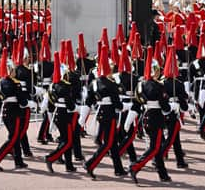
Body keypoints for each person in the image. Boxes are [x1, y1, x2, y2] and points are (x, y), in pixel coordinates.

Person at [128, 46, 173, 183]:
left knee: (157, 147)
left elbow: (138, 101)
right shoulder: (158, 86)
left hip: (146, 116)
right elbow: (165, 108)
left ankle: (163, 174)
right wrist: (171, 108)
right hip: (156, 118)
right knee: (154, 148)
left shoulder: (141, 85)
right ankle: (135, 167)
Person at [84, 44, 126, 179]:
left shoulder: (94, 83)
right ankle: (90, 164)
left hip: (100, 111)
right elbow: (117, 103)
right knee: (108, 143)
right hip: (109, 113)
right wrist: (123, 107)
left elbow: (89, 100)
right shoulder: (110, 83)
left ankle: (118, 168)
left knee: (112, 143)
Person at [0, 47, 29, 171]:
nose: (15, 72)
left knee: (14, 137)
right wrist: (28, 103)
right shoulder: (15, 83)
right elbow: (22, 102)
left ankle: (18, 161)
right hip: (14, 112)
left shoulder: (0, 82)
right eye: (13, 70)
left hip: (5, 111)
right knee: (14, 138)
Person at [45, 48, 77, 173]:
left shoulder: (54, 85)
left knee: (65, 139)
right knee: (68, 140)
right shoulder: (65, 86)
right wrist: (77, 107)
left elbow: (51, 103)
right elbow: (70, 105)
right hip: (65, 114)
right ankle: (51, 157)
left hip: (57, 113)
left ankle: (68, 165)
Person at [160, 44, 189, 169]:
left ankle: (180, 160)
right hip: (173, 111)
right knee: (172, 138)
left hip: (162, 111)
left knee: (175, 138)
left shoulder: (161, 83)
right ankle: (160, 156)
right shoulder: (178, 83)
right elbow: (184, 97)